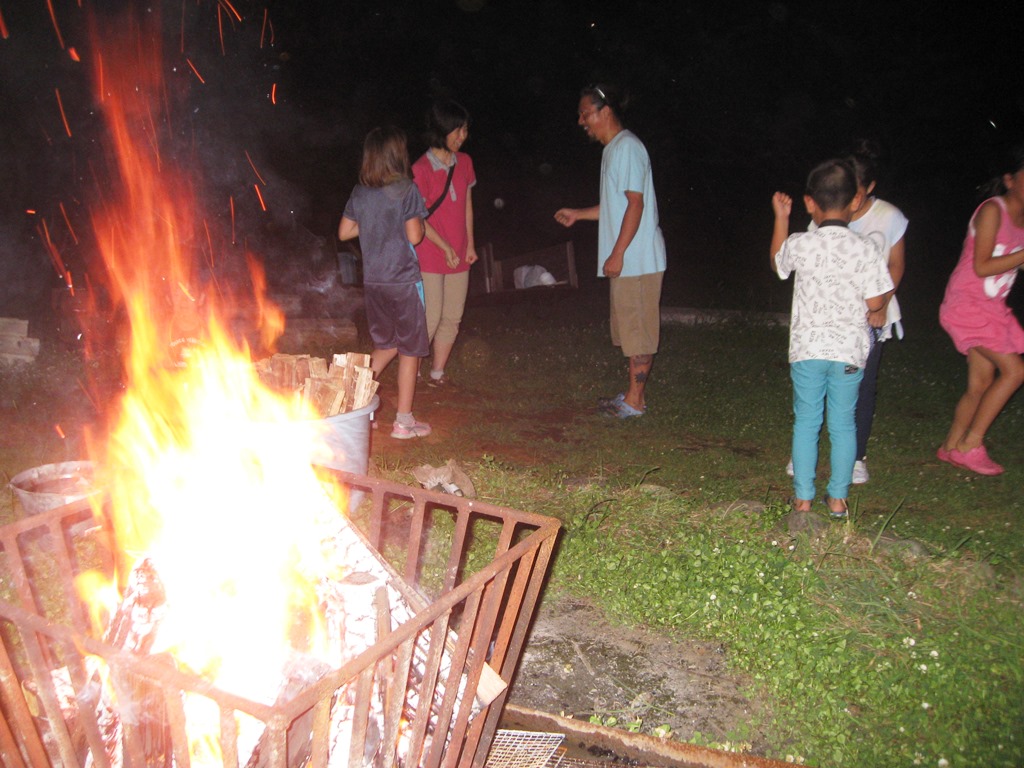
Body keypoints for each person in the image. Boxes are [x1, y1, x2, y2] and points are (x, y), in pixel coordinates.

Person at [771, 160, 893, 518]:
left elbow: (778, 264)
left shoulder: (801, 243)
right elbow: (876, 302)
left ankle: (803, 498)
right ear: (855, 201)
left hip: (807, 350)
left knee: (807, 421)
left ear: (810, 202)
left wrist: (781, 217)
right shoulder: (865, 248)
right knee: (843, 423)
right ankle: (838, 498)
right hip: (849, 352)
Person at [554, 83, 667, 418]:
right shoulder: (614, 150)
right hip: (629, 260)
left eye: (585, 114)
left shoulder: (627, 147)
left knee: (639, 334)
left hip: (638, 260)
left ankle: (635, 403)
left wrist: (617, 253)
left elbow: (635, 204)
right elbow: (616, 207)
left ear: (605, 112)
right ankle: (632, 395)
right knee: (630, 332)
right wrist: (579, 214)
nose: (581, 121)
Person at [339, 126, 432, 439]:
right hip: (403, 280)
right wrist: (410, 223)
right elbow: (415, 236)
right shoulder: (407, 189)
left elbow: (344, 232)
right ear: (397, 155)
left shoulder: (360, 193)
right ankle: (403, 422)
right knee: (409, 350)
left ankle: (351, 403)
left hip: (375, 283)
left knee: (386, 345)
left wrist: (373, 226)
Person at [937, 146, 1024, 475]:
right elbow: (983, 265)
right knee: (1015, 372)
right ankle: (970, 445)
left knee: (981, 384)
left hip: (991, 307)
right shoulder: (992, 211)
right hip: (967, 304)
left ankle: (950, 446)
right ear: (1010, 180)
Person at [411, 100, 478, 388]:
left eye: (465, 130)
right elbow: (417, 217)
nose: (463, 136)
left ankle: (437, 373)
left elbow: (467, 206)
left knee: (452, 316)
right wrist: (446, 247)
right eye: (457, 130)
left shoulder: (465, 162)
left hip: (459, 251)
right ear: (441, 130)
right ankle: (412, 371)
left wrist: (469, 245)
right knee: (431, 315)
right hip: (429, 251)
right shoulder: (420, 169)